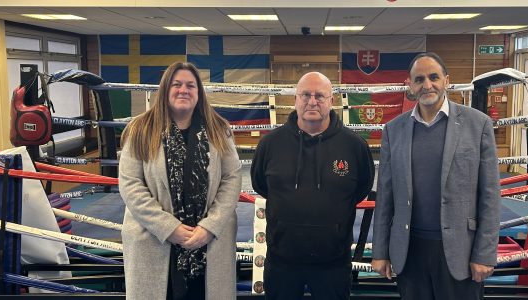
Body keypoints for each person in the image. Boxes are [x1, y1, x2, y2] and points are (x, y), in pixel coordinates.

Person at [371, 52, 500, 300]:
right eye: (419, 79)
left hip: (460, 251)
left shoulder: (478, 124)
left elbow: (490, 195)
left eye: (434, 77)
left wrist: (484, 254)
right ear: (410, 85)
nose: (427, 85)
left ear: (446, 81)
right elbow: (385, 196)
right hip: (410, 251)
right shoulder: (393, 130)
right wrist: (380, 250)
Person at [119, 62, 242, 300]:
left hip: (208, 244)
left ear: (199, 93)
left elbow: (232, 178)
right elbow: (130, 184)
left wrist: (210, 227)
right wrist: (168, 228)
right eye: (177, 84)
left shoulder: (219, 129)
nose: (183, 90)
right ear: (165, 89)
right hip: (155, 240)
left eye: (190, 85)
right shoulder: (141, 129)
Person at [251, 72, 375, 300]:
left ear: (332, 101)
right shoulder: (270, 144)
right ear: (295, 99)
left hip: (333, 263)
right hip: (282, 262)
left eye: (320, 95)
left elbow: (361, 189)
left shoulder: (354, 146)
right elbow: (261, 184)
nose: (312, 101)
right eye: (305, 95)